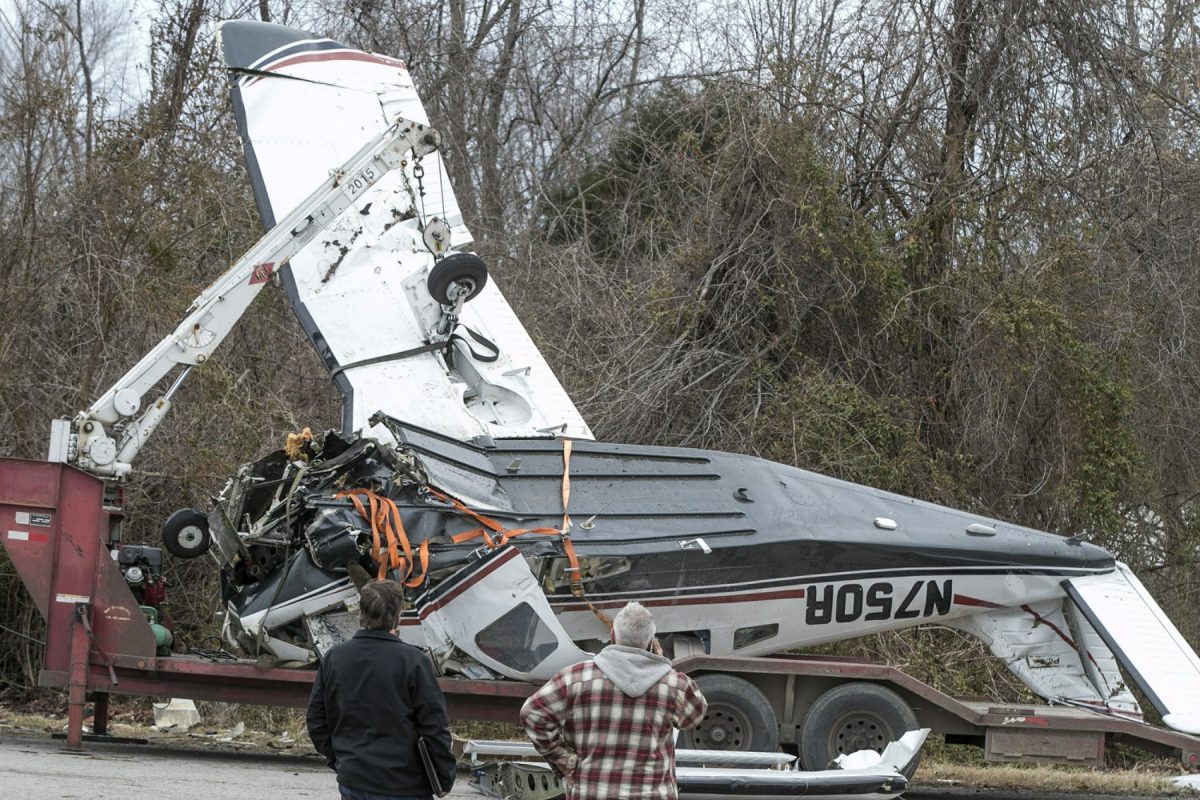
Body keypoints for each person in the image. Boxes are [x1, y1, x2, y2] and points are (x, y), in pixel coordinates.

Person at [520, 602, 707, 800]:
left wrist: (566, 762)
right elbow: (694, 717)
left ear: (612, 636)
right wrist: (661, 663)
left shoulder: (574, 678)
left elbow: (532, 713)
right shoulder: (673, 684)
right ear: (652, 642)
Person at [307, 579, 455, 800]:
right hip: (404, 784)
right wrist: (444, 777)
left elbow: (316, 721)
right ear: (398, 617)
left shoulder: (334, 658)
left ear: (360, 614)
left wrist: (341, 761)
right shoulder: (413, 661)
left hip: (354, 781)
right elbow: (434, 726)